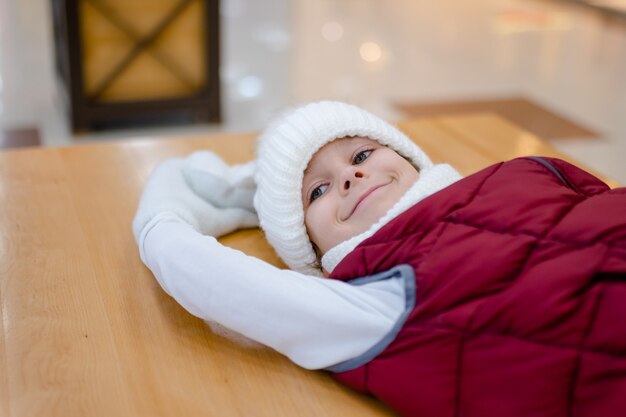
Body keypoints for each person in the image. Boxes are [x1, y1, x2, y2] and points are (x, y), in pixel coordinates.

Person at [133, 101, 626, 417]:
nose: (349, 178)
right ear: (311, 251)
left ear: (409, 156)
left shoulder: (521, 173)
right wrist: (161, 227)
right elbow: (212, 276)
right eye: (318, 191)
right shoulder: (374, 299)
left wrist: (276, 182)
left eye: (362, 156)